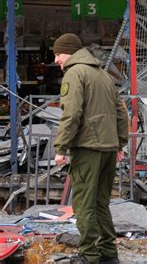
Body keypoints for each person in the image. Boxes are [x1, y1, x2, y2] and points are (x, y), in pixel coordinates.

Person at [53, 33, 129, 264]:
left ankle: (89, 256)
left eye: (58, 54)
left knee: (84, 204)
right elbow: (121, 113)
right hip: (108, 148)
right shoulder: (103, 75)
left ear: (70, 52)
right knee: (100, 203)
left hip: (87, 148)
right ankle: (107, 254)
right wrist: (120, 143)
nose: (56, 60)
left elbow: (72, 114)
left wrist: (61, 147)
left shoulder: (75, 73)